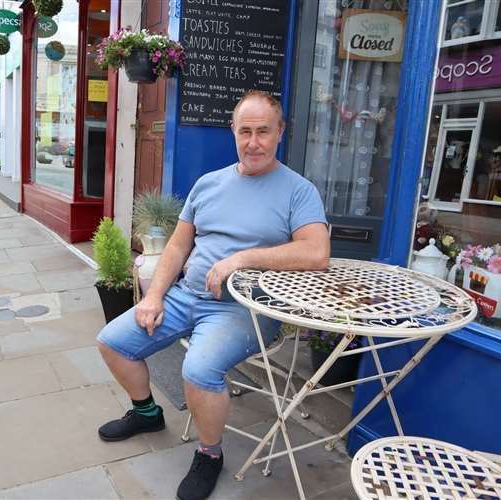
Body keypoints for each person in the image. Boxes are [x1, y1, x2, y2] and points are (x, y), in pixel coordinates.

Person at [95, 90, 330, 500]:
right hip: (186, 296)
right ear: (233, 132)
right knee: (113, 342)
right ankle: (147, 413)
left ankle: (210, 453)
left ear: (280, 133)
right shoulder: (208, 184)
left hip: (244, 310)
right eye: (245, 131)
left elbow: (316, 252)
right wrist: (153, 296)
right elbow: (177, 247)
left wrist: (241, 259)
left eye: (263, 131)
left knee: (198, 371)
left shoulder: (298, 190)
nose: (253, 141)